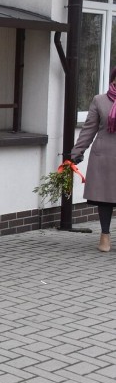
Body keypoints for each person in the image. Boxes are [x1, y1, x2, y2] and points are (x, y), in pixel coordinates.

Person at [71, 67, 116, 252]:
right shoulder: (100, 100)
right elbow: (89, 128)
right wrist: (77, 152)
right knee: (106, 199)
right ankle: (104, 236)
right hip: (104, 156)